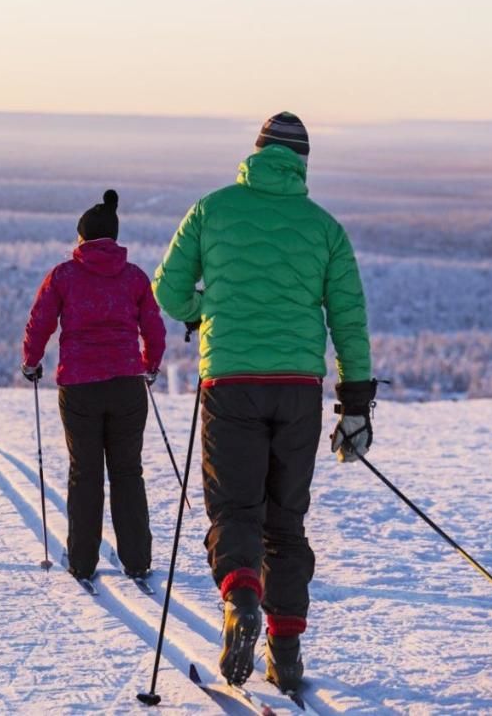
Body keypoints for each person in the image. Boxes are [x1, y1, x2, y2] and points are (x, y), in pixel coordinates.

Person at [152, 112, 377, 693]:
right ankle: (287, 652)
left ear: (255, 156)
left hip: (229, 384)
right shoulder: (325, 228)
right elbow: (349, 320)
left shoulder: (212, 209)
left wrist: (203, 314)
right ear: (301, 164)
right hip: (299, 389)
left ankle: (241, 599)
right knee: (286, 521)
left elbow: (168, 288)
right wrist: (355, 402)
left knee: (234, 511)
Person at [21, 190, 167, 584]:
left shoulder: (64, 276)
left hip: (80, 387)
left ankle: (82, 562)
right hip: (127, 386)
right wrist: (149, 366)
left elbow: (41, 322)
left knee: (84, 473)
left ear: (82, 238)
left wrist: (31, 361)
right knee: (127, 472)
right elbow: (153, 327)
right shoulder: (134, 276)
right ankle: (137, 560)